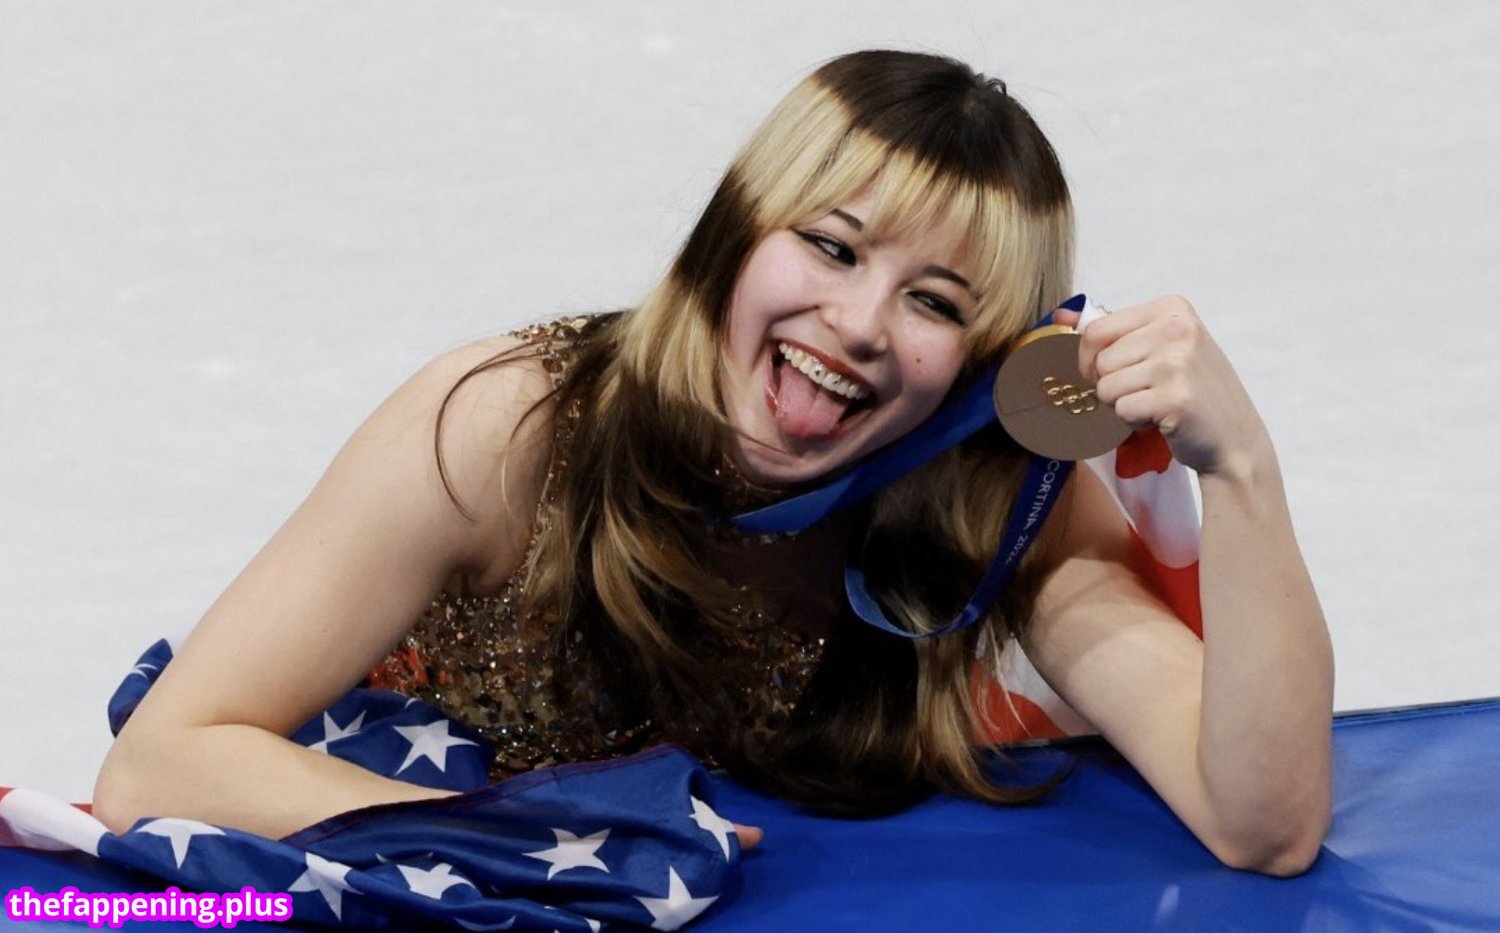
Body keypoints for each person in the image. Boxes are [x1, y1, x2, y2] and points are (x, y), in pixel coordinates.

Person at [92, 49, 1333, 877]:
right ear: (731, 237)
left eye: (935, 302)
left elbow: (1263, 826)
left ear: (983, 361)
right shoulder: (505, 426)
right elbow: (161, 760)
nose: (858, 324)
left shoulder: (986, 506)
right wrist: (546, 845)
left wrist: (1243, 470)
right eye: (832, 246)